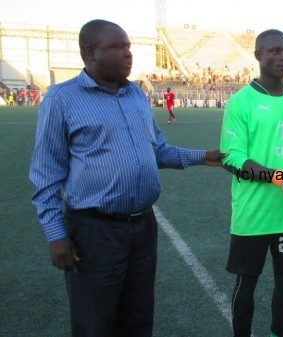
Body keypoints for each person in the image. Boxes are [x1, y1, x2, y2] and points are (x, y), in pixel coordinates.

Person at [29, 19, 225, 337]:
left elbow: (157, 151)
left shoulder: (135, 95)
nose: (128, 53)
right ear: (91, 52)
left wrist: (203, 156)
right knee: (94, 322)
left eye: (129, 46)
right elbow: (46, 175)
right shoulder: (61, 99)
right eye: (118, 46)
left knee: (137, 318)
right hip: (94, 232)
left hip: (142, 228)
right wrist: (55, 234)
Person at [220, 29, 283, 337]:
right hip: (253, 215)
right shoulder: (241, 102)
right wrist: (282, 180)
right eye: (275, 51)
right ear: (258, 56)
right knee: (246, 281)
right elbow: (231, 159)